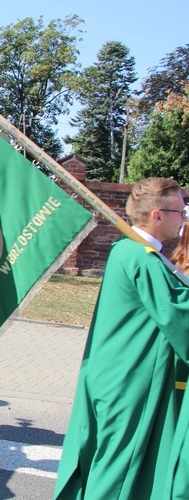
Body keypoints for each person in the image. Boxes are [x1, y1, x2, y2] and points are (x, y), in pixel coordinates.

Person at [55, 177, 189, 499]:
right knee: (117, 473)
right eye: (180, 210)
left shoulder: (127, 250)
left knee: (114, 464)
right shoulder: (143, 260)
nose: (184, 218)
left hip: (114, 377)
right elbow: (179, 316)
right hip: (130, 383)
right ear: (158, 215)